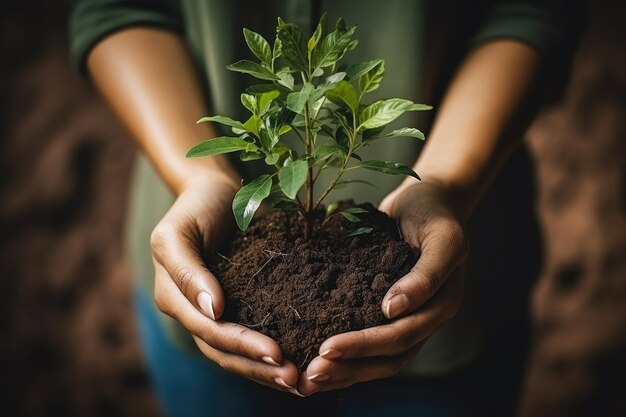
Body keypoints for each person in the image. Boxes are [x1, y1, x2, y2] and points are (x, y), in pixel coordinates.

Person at [69, 1, 579, 416]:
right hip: (209, 293)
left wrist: (444, 183)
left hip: (455, 299)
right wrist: (200, 176)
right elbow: (114, 8)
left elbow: (530, 10)